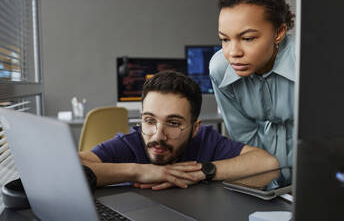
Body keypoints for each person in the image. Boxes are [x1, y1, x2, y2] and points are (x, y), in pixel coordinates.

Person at [79, 71, 279, 190]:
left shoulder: (206, 140)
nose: (158, 135)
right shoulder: (129, 144)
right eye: (149, 120)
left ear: (195, 128)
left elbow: (268, 165)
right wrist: (139, 171)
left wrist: (201, 172)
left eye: (173, 123)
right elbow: (70, 168)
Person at [209, 0, 295, 184]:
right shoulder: (220, 69)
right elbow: (245, 137)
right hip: (265, 178)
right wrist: (269, 187)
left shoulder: (308, 64)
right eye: (225, 39)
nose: (233, 53)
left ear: (279, 32)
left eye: (247, 38)